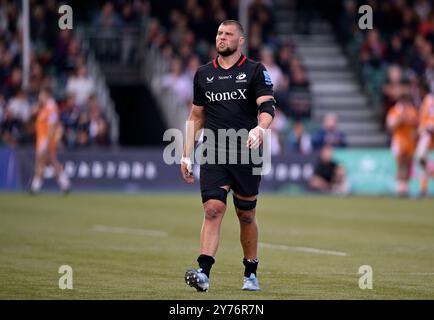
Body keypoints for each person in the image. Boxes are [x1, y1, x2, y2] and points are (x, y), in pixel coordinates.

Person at [180, 20, 275, 292]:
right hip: (214, 151)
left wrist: (260, 128)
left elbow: (267, 107)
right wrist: (187, 155)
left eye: (228, 34)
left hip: (246, 152)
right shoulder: (203, 74)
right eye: (219, 33)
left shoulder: (256, 70)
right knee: (213, 209)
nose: (222, 38)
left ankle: (250, 271)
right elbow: (196, 116)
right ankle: (204, 271)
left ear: (240, 40)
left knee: (246, 215)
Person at [30, 87, 70, 194]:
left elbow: (52, 125)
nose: (39, 97)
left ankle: (35, 186)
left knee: (41, 162)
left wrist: (48, 141)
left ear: (46, 95)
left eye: (41, 95)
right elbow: (32, 114)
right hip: (42, 139)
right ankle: (65, 183)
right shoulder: (44, 107)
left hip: (46, 139)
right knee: (51, 161)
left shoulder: (51, 107)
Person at [386, 94, 418, 196]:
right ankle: (399, 187)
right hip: (399, 140)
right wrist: (401, 119)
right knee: (400, 164)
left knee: (408, 165)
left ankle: (406, 187)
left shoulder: (412, 110)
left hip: (410, 141)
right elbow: (390, 126)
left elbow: (417, 124)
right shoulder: (394, 111)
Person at [416, 89, 434, 196]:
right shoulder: (428, 99)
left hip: (429, 131)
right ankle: (423, 188)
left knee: (422, 158)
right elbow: (423, 116)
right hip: (427, 133)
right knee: (421, 158)